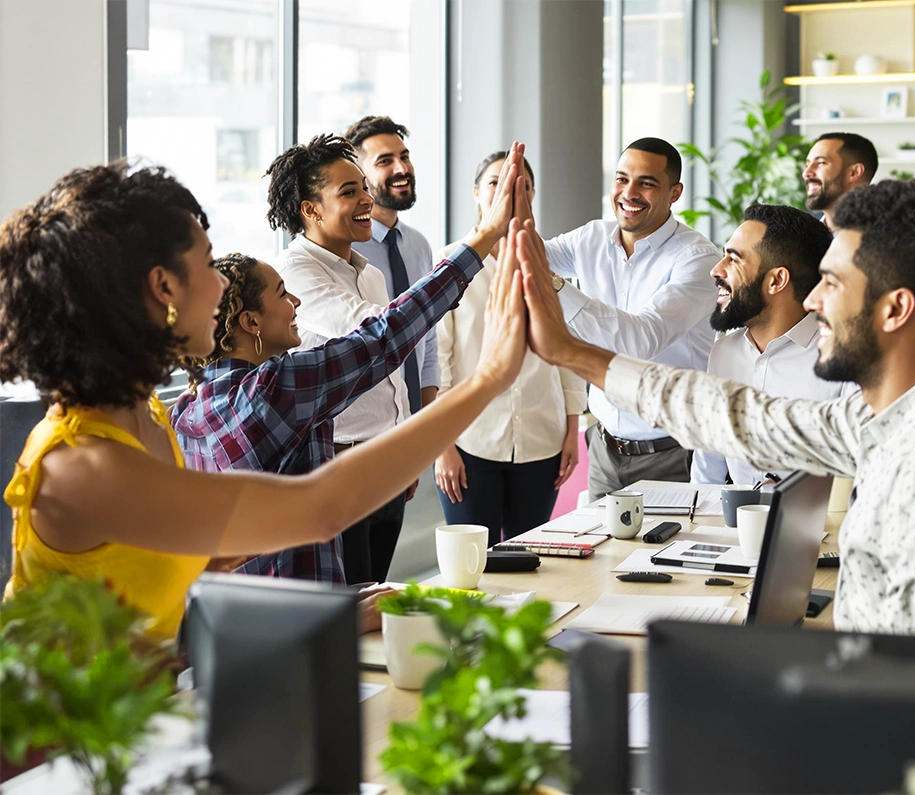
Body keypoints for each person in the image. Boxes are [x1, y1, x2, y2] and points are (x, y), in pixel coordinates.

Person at [0, 154, 529, 643]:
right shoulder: (86, 463)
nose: (218, 287)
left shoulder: (155, 416)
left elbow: (180, 588)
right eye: (208, 265)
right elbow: (322, 509)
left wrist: (324, 610)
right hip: (67, 742)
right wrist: (488, 378)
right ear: (163, 288)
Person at [519, 178, 915, 637]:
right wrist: (571, 351)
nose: (811, 299)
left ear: (895, 310)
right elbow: (742, 417)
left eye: (832, 283)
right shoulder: (903, 413)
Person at [170, 235, 493, 602]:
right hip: (304, 625)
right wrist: (481, 243)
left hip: (236, 621)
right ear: (250, 322)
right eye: (281, 294)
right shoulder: (275, 389)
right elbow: (386, 336)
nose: (296, 302)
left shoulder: (184, 412)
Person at [263, 135, 424, 584]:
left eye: (363, 188)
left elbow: (390, 370)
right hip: (338, 464)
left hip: (385, 462)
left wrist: (405, 449)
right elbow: (374, 332)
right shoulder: (294, 270)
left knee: (374, 595)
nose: (366, 200)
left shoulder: (369, 274)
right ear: (310, 210)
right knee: (348, 606)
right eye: (348, 192)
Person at [542, 137, 719, 500]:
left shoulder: (697, 259)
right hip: (606, 450)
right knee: (597, 555)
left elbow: (639, 340)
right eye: (622, 179)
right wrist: (504, 212)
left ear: (674, 192)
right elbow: (525, 252)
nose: (629, 193)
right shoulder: (592, 238)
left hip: (672, 456)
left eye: (647, 183)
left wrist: (556, 285)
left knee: (661, 557)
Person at [433, 150, 586, 547]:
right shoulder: (449, 264)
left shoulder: (551, 264)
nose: (508, 191)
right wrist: (442, 446)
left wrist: (573, 431)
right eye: (495, 182)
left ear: (531, 194)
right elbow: (437, 363)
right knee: (473, 566)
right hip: (469, 441)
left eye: (521, 184)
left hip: (543, 439)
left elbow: (569, 351)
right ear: (476, 193)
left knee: (529, 560)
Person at [691, 203, 855, 486]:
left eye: (734, 259)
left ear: (777, 280)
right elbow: (708, 470)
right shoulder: (723, 352)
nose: (716, 270)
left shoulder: (844, 358)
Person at [345, 115, 438, 417]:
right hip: (365, 427)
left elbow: (429, 335)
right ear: (359, 176)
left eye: (405, 157)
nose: (402, 169)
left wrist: (428, 416)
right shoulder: (345, 250)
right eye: (385, 161)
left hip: (415, 421)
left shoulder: (419, 245)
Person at [803, 132, 878, 228]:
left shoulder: (887, 236)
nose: (806, 173)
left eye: (821, 163)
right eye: (807, 164)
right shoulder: (805, 232)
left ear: (854, 172)